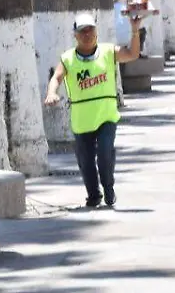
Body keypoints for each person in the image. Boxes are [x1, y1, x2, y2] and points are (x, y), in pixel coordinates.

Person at [44, 12, 143, 208]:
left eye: (90, 30)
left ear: (97, 32)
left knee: (106, 153)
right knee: (86, 160)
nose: (87, 34)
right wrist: (51, 93)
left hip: (106, 116)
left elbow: (132, 54)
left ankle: (108, 187)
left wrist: (134, 29)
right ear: (75, 35)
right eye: (82, 31)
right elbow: (56, 77)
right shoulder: (68, 58)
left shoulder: (108, 51)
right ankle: (93, 194)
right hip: (82, 120)